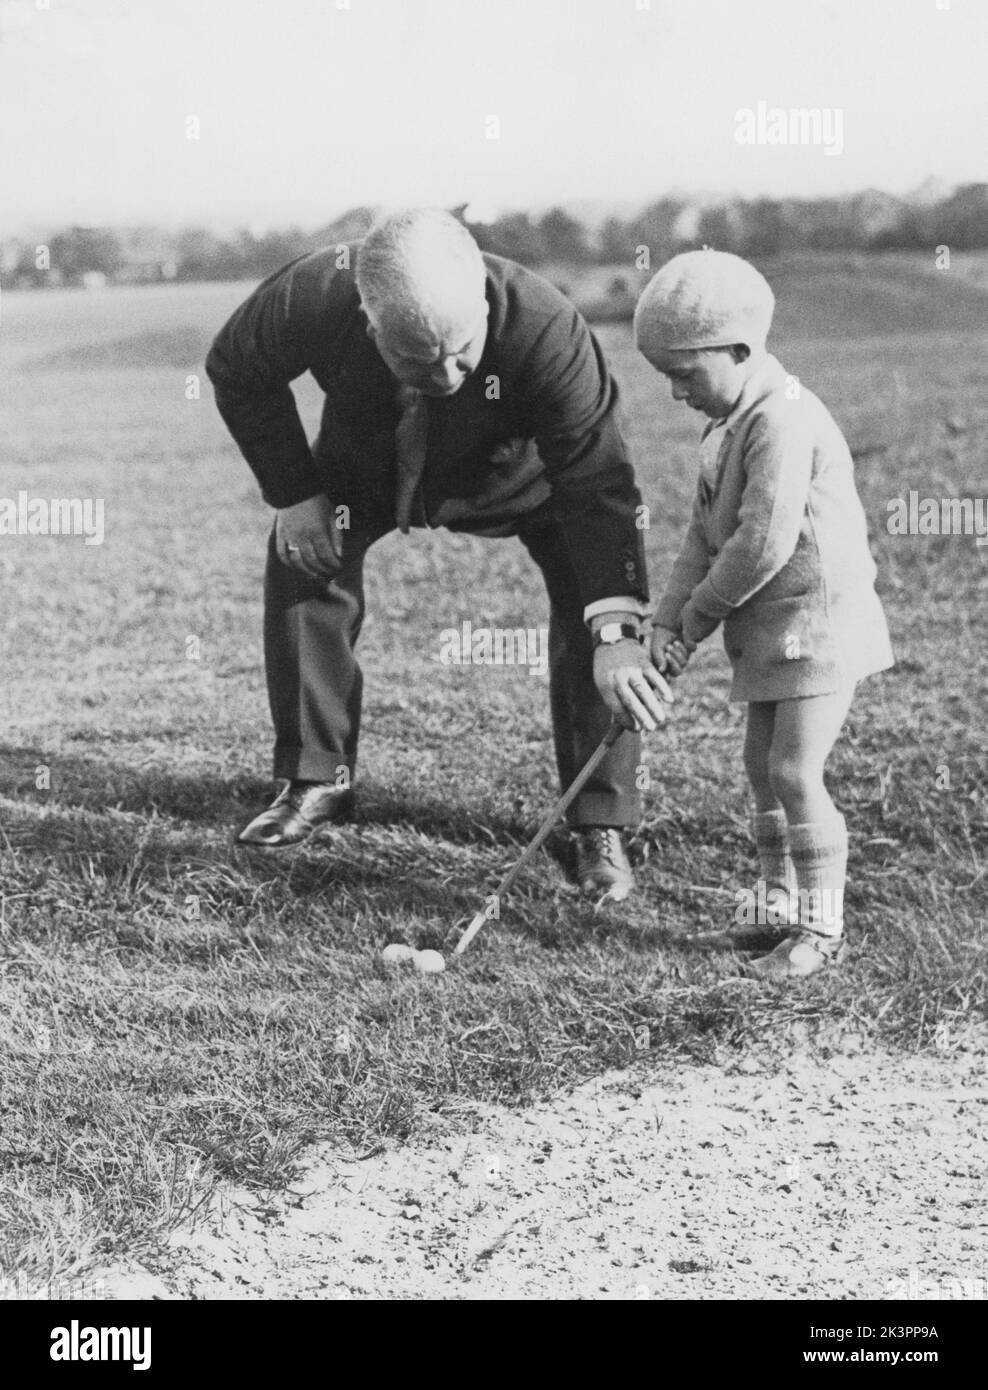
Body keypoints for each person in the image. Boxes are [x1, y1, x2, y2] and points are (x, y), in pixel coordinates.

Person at [206, 209, 672, 901]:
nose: (448, 373)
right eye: (418, 359)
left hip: (522, 480)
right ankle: (314, 777)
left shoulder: (547, 329)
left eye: (462, 349)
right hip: (367, 465)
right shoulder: (313, 294)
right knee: (302, 560)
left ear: (482, 300)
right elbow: (236, 368)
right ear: (368, 322)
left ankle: (599, 821)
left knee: (592, 601)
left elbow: (598, 487)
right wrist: (295, 492)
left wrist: (615, 632)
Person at [634, 249, 894, 978]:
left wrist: (697, 621)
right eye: (667, 377)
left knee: (793, 769)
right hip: (772, 629)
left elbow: (760, 546)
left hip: (818, 623)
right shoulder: (726, 424)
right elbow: (702, 536)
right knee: (761, 767)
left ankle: (820, 933)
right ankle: (776, 909)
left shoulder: (782, 419)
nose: (677, 393)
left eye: (687, 374)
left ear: (742, 351)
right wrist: (665, 621)